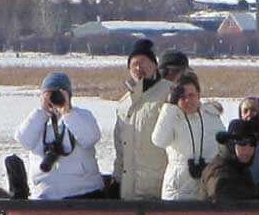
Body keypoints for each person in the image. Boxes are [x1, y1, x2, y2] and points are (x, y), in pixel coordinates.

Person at [15, 71, 105, 200]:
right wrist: (41, 113)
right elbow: (23, 140)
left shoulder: (82, 115)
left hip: (84, 192)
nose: (54, 98)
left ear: (68, 95)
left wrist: (67, 113)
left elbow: (90, 138)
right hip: (44, 195)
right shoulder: (38, 119)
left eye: (58, 94)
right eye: (49, 94)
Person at [150, 73, 226, 201]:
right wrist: (169, 106)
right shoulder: (171, 117)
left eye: (191, 95)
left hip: (206, 185)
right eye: (181, 97)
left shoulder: (211, 116)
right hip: (178, 189)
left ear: (199, 95)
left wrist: (208, 166)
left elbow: (223, 148)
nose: (187, 101)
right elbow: (159, 141)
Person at [113, 38, 170, 201]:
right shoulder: (124, 103)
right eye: (134, 64)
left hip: (159, 188)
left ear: (155, 65)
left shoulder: (168, 92)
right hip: (129, 189)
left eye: (144, 63)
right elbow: (120, 147)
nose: (139, 68)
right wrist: (117, 178)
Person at [200, 117, 259, 203]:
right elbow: (224, 206)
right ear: (230, 144)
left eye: (252, 143)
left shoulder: (240, 167)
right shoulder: (219, 172)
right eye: (242, 143)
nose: (247, 149)